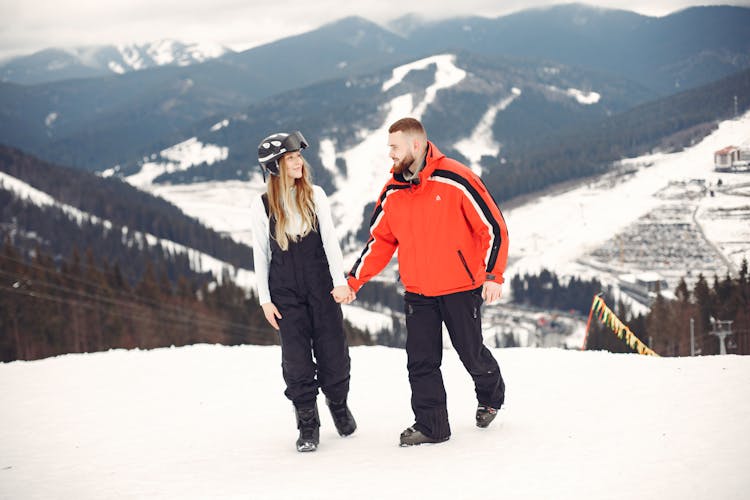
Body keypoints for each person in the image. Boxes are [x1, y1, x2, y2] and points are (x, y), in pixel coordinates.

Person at [347, 117, 509, 446]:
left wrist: (493, 275)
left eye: (395, 147)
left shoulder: (456, 178)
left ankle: (491, 396)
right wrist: (354, 281)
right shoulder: (393, 190)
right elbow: (379, 242)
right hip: (418, 292)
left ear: (416, 145)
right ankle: (432, 425)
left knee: (470, 353)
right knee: (421, 361)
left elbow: (493, 226)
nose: (390, 154)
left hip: (461, 287)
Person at [250, 130, 356, 452]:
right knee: (296, 361)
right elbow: (260, 253)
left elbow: (330, 242)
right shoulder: (263, 204)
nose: (298, 162)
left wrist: (339, 281)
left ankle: (337, 403)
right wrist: (265, 300)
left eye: (298, 156)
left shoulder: (315, 194)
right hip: (285, 292)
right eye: (291, 158)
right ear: (275, 167)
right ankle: (307, 421)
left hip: (321, 286)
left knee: (333, 353)